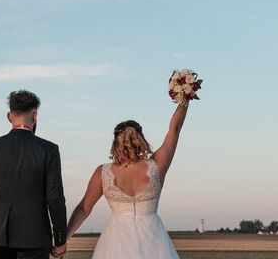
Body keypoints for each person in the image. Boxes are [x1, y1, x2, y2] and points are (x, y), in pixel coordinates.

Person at [65, 103, 190, 258]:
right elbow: (175, 129)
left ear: (115, 143)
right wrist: (184, 98)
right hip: (153, 240)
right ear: (141, 140)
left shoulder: (102, 172)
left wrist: (63, 240)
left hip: (116, 240)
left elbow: (84, 209)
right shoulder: (157, 165)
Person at [0, 90, 68, 259]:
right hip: (36, 236)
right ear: (34, 116)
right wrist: (61, 239)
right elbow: (55, 198)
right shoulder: (49, 150)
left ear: (9, 116)